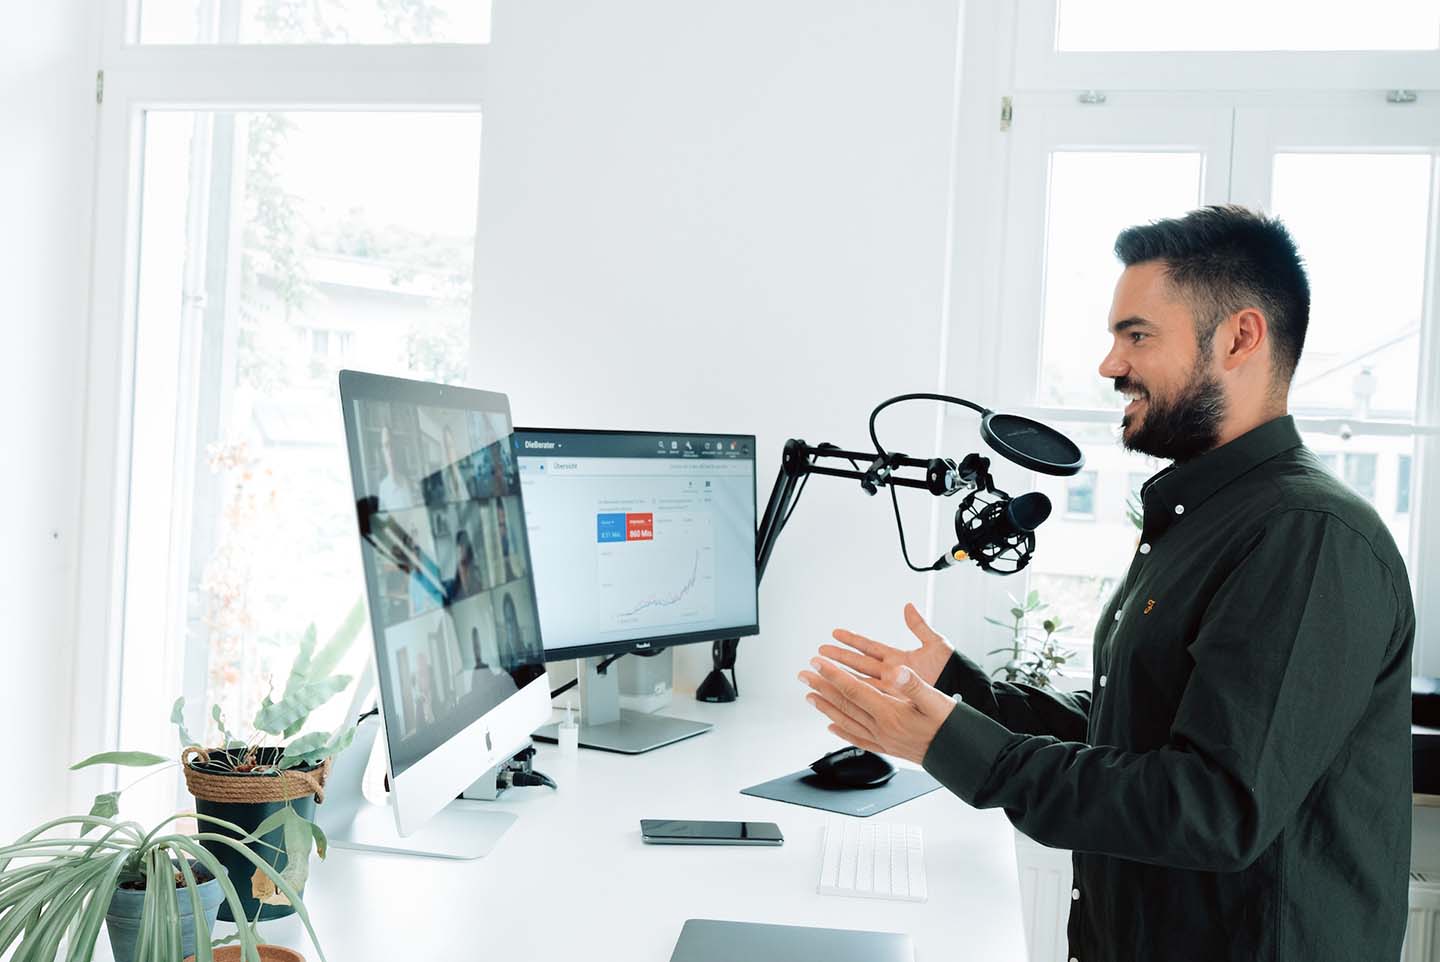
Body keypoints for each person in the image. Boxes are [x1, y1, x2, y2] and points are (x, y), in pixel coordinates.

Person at [800, 206, 1413, 961]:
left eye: (1137, 335)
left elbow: (1213, 807)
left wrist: (954, 745)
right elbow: (1133, 722)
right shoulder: (1204, 517)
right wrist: (961, 691)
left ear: (1240, 338)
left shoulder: (1308, 537)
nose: (1109, 364)